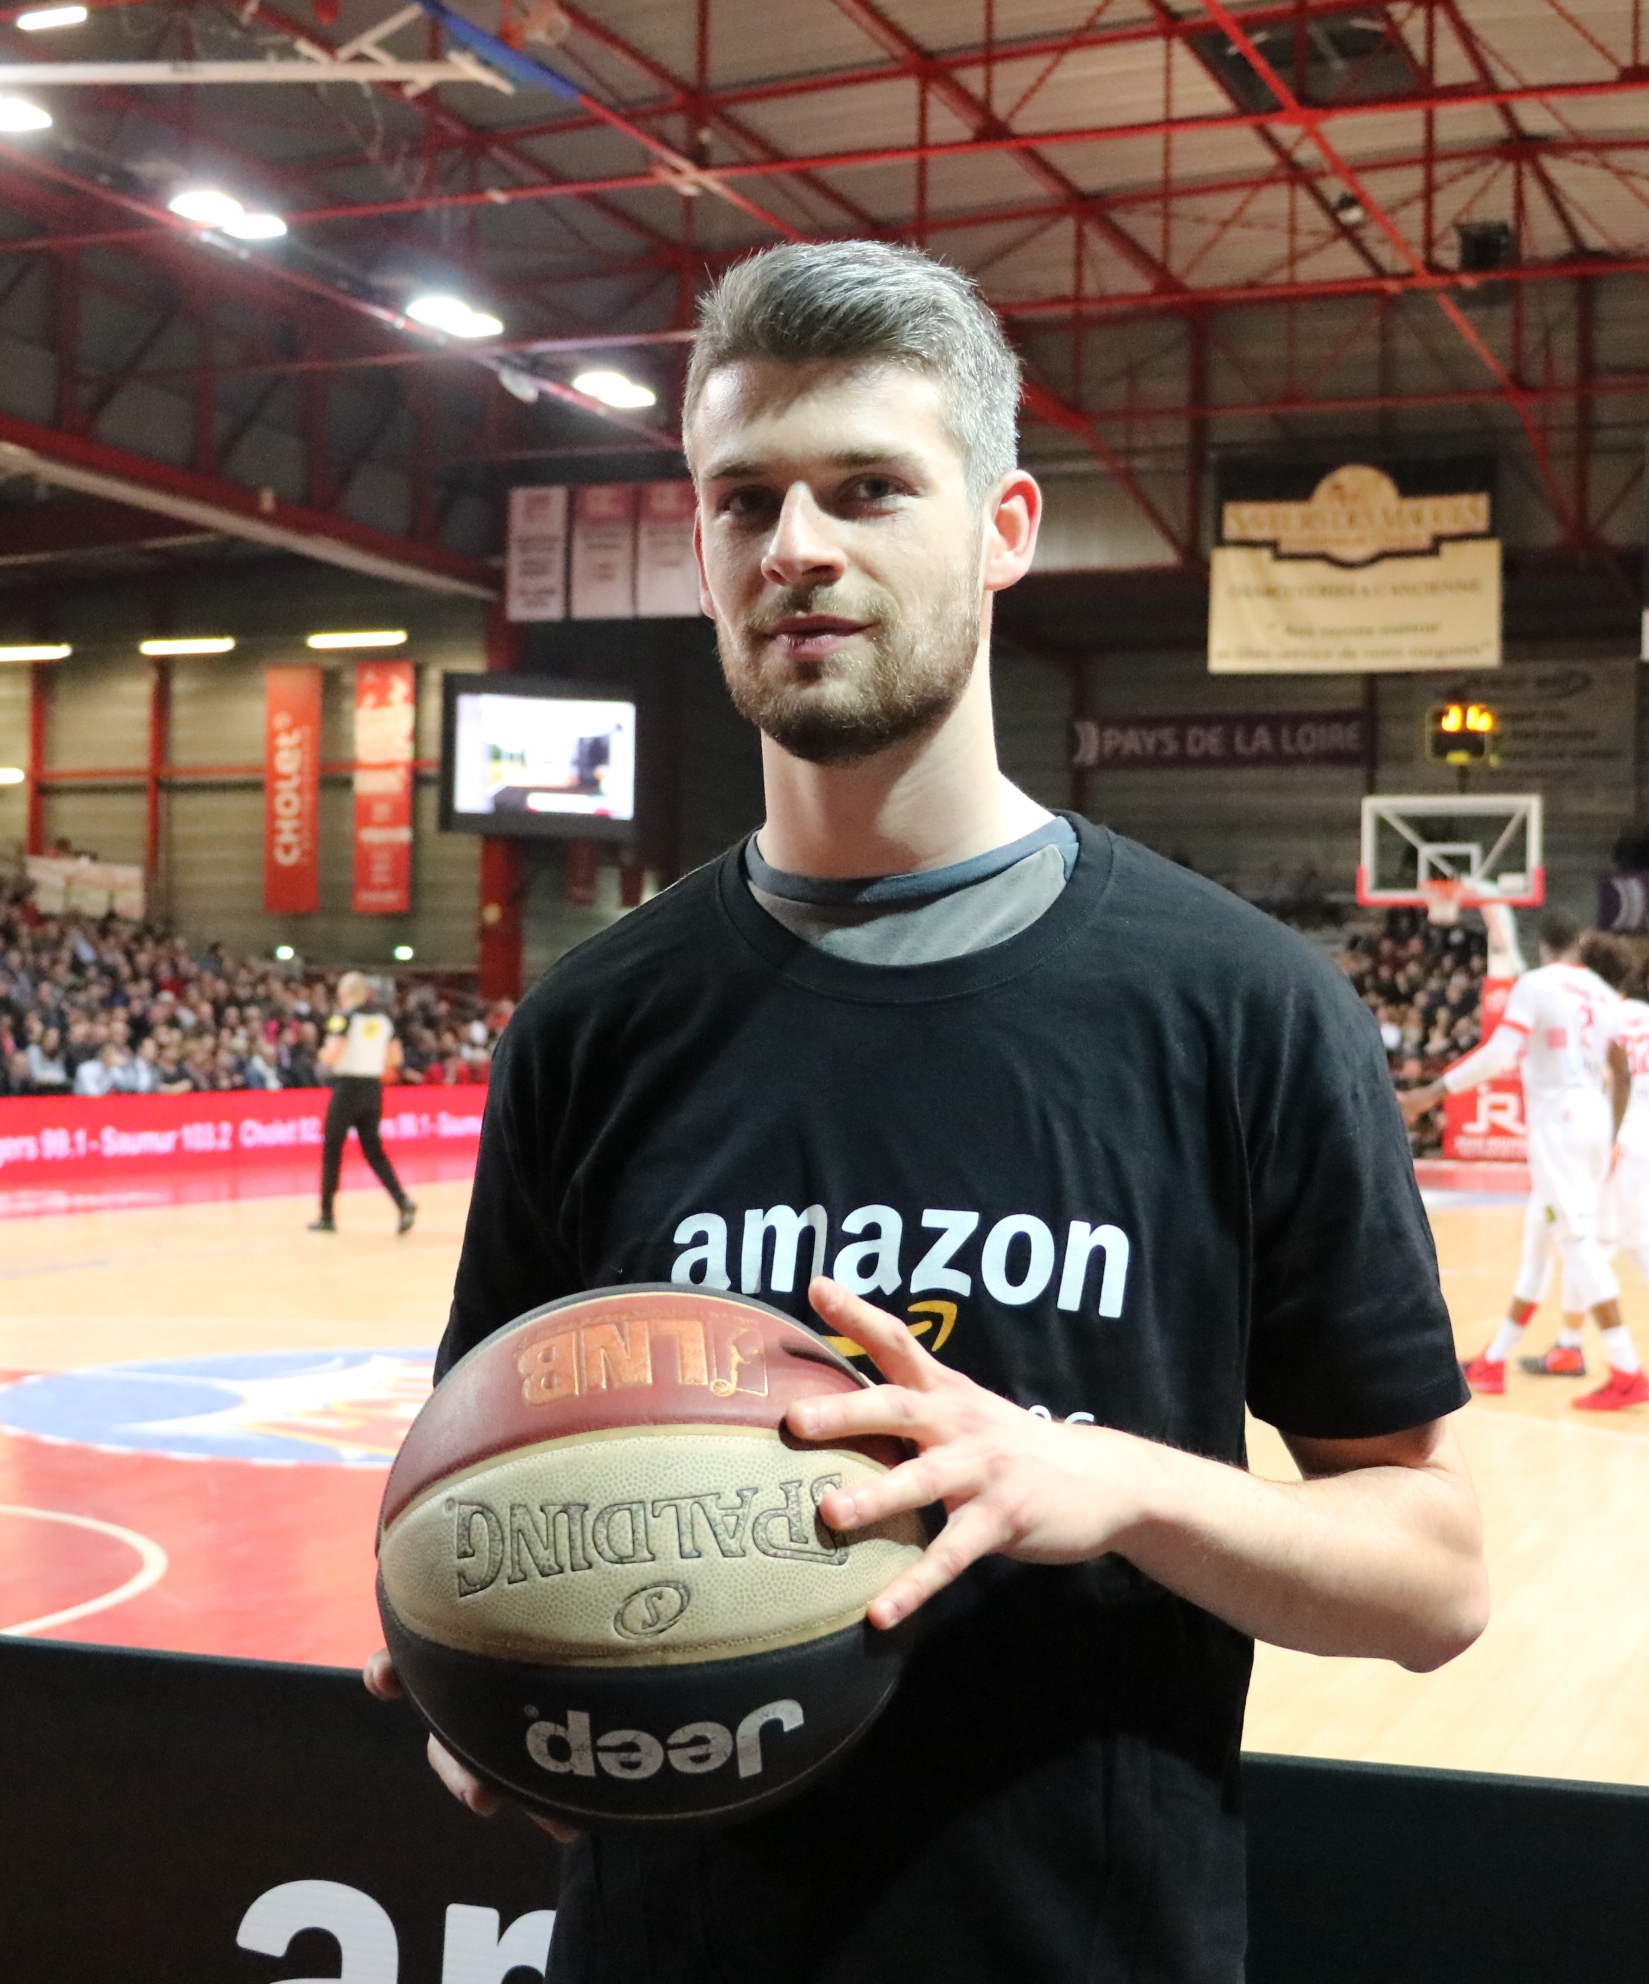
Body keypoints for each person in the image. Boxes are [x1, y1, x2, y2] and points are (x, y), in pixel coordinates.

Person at [359, 238, 1484, 1984]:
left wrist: (1104, 1479)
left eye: (869, 489)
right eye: (744, 501)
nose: (797, 547)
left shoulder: (1241, 1005)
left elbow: (1430, 1572)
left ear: (1005, 528)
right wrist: (486, 1671)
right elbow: (489, 1470)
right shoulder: (593, 1022)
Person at [1403, 908, 1641, 1406]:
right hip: (1595, 1121)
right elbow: (1624, 1070)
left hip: (1559, 1123)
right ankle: (1495, 1361)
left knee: (1576, 1243)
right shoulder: (1602, 991)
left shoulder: (1536, 984)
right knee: (1540, 1237)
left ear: (1543, 947)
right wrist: (1612, 1131)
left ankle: (1627, 1370)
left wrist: (1429, 1093)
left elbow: (1497, 1056)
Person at [1546, 936, 1649, 1386]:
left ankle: (1570, 1346)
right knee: (1641, 1246)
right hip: (1647, 1137)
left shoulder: (1593, 1017)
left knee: (1586, 1244)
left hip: (1612, 1136)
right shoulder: (1646, 1015)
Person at [308, 969, 415, 1235]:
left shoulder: (343, 1018)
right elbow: (396, 1059)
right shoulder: (383, 1020)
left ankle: (327, 1215)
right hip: (373, 1090)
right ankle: (402, 1201)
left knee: (332, 1149)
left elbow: (333, 1055)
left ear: (344, 994)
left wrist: (321, 1054)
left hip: (346, 1090)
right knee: (374, 1150)